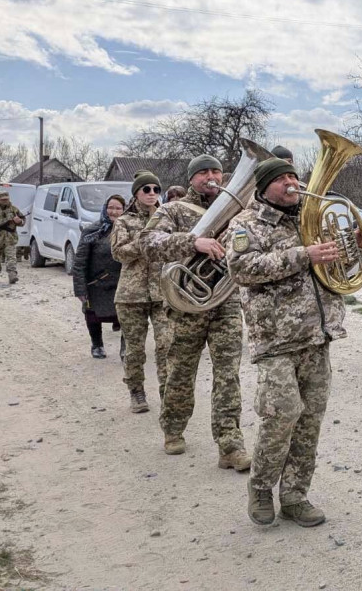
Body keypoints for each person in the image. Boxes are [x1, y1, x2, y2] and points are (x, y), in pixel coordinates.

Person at [227, 158, 362, 526]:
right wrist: (304, 255)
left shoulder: (314, 218)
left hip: (316, 336)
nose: (293, 183)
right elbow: (242, 269)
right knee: (282, 415)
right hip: (275, 339)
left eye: (294, 176)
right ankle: (260, 487)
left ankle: (294, 495)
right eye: (283, 179)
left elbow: (338, 271)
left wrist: (353, 245)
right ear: (264, 187)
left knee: (310, 419)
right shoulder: (246, 224)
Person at [141, 154, 251, 471]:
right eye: (203, 172)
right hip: (185, 304)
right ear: (192, 179)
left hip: (225, 301)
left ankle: (230, 445)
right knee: (180, 373)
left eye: (216, 170)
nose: (211, 176)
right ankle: (173, 429)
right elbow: (148, 243)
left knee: (228, 375)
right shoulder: (174, 209)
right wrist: (193, 243)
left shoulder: (240, 212)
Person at [112, 171, 171, 414]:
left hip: (163, 293)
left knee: (166, 345)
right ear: (136, 193)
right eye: (146, 189)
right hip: (131, 295)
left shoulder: (167, 218)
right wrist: (144, 240)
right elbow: (119, 253)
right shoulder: (123, 222)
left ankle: (167, 392)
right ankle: (136, 390)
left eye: (156, 189)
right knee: (135, 349)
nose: (151, 194)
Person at [73, 195, 125, 360]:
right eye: (111, 207)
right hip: (96, 284)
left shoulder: (128, 231)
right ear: (104, 208)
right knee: (93, 316)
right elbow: (79, 262)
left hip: (122, 283)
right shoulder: (92, 231)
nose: (114, 211)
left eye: (118, 208)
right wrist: (80, 288)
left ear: (124, 211)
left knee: (128, 317)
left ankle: (126, 348)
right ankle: (97, 345)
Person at [0, 187, 25, 285]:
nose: (5, 201)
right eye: (3, 200)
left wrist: (20, 221)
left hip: (10, 238)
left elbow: (22, 220)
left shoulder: (14, 209)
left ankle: (12, 275)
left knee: (11, 257)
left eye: (6, 199)